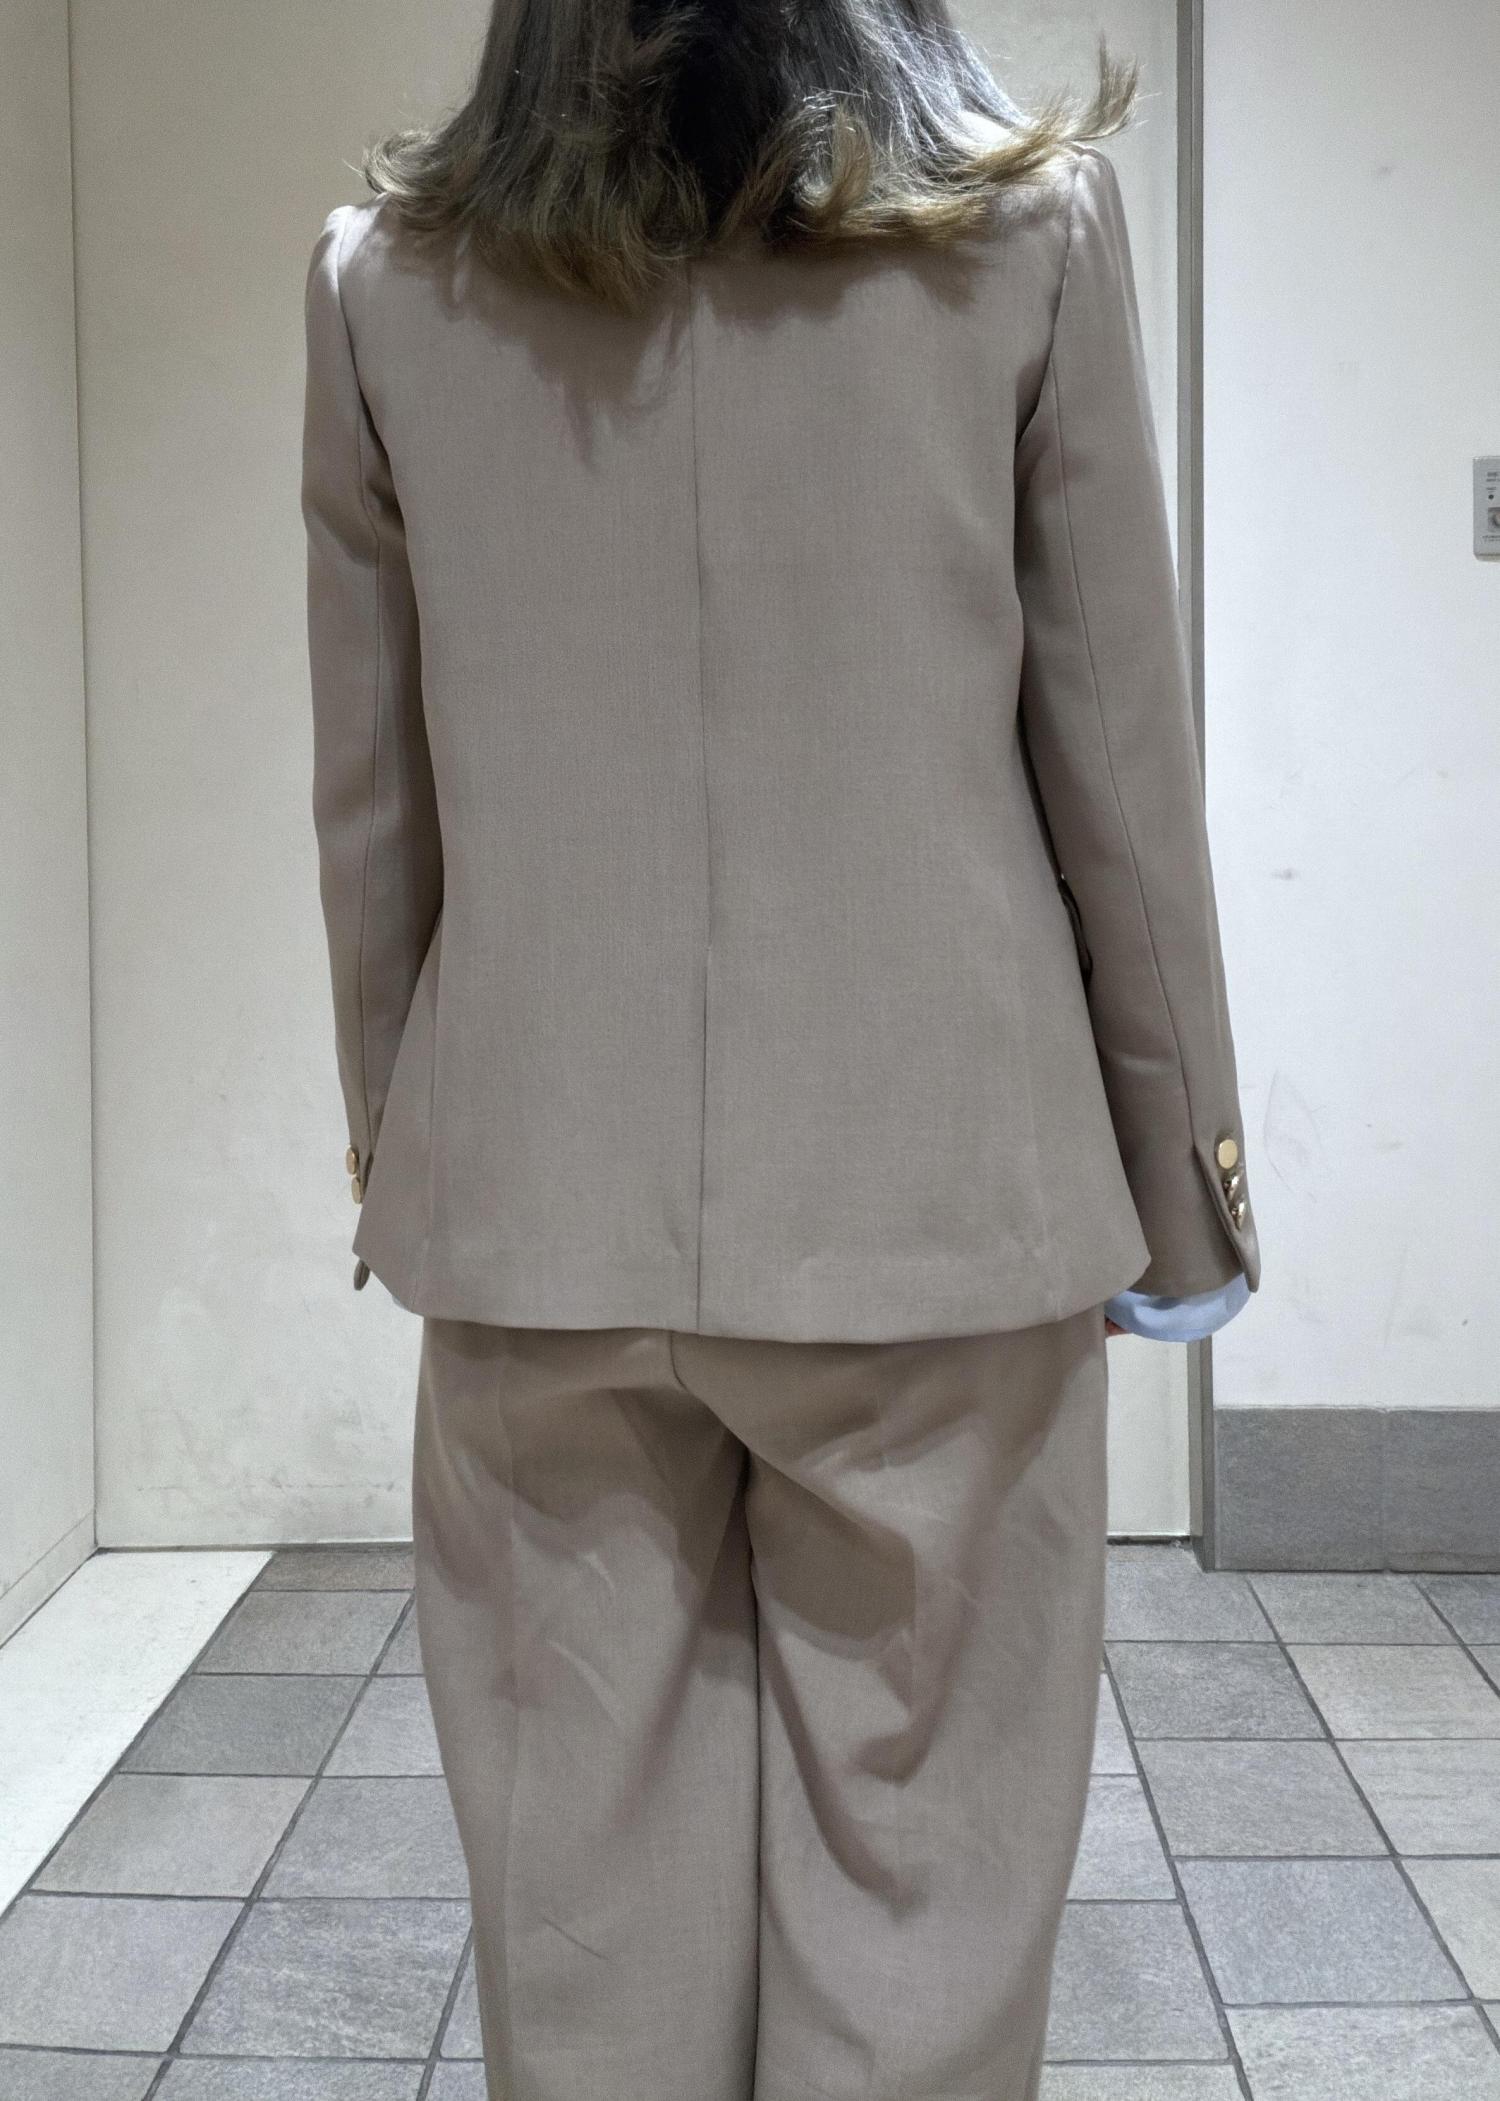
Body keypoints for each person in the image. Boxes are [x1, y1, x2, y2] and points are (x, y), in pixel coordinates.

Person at [300, 0, 1261, 2091]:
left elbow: (376, 809)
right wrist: (1188, 1181)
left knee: (583, 1912)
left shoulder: (386, 282)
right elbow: (1115, 759)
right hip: (943, 1222)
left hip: (542, 1220)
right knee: (924, 1907)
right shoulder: (1031, 241)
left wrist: (412, 1148)